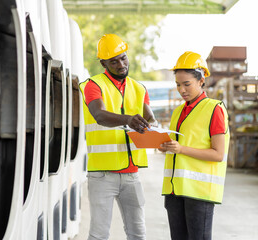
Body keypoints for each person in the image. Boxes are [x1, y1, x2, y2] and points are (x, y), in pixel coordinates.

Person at [79, 33, 157, 240]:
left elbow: (151, 119)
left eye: (123, 58)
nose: (121, 64)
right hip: (102, 175)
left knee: (138, 233)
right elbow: (99, 115)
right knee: (99, 234)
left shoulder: (139, 88)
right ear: (103, 63)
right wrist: (128, 119)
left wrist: (153, 130)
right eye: (113, 61)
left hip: (132, 175)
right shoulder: (93, 85)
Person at [159, 51, 230, 240]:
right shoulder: (178, 112)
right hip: (175, 191)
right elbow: (179, 145)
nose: (182, 90)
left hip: (199, 193)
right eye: (178, 85)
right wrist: (165, 146)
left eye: (187, 84)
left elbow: (218, 154)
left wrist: (181, 149)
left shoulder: (214, 109)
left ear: (201, 80)